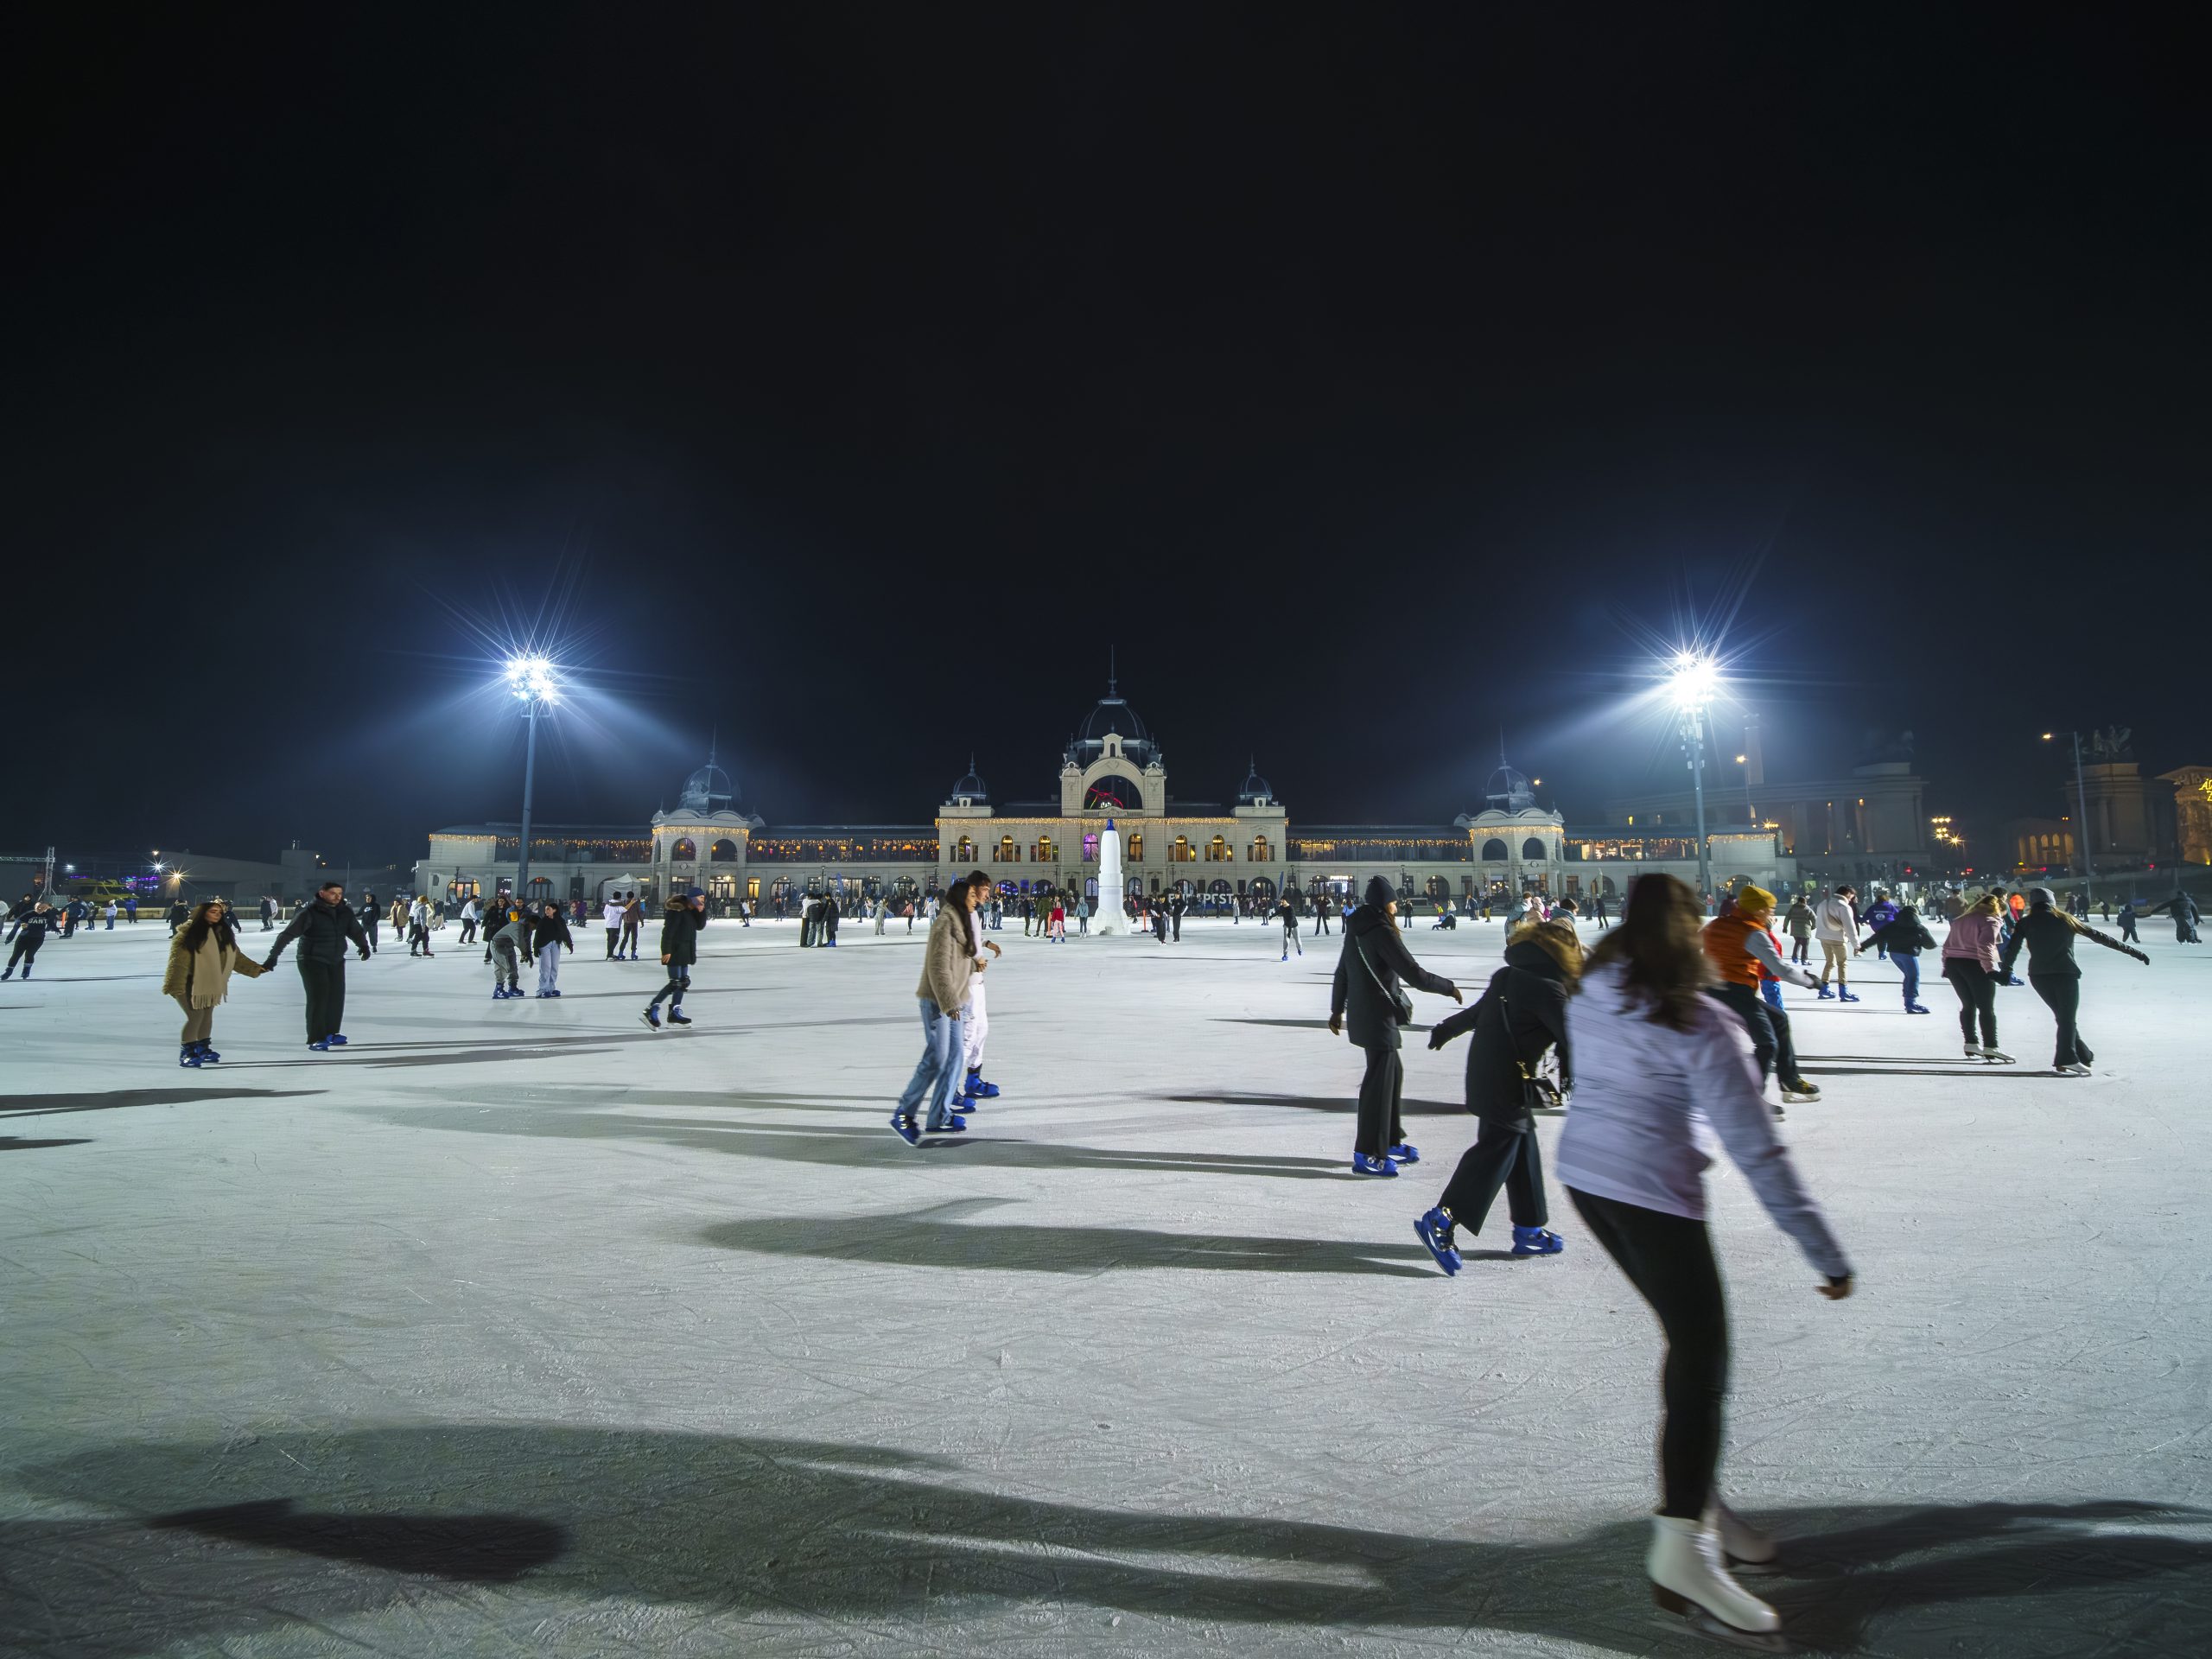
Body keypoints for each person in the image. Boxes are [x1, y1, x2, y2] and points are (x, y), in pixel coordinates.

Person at [1554, 874, 1853, 1643]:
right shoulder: (1701, 1022)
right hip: (1650, 1193)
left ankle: (1702, 1507)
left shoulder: (1596, 988)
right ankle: (1682, 1545)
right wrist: (1824, 1252)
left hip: (1588, 1179)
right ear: (1691, 931)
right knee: (1702, 1362)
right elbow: (1760, 1153)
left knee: (1687, 1349)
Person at [1416, 918, 1579, 1271]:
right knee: (1497, 1151)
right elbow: (1577, 1039)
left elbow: (1478, 1013)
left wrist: (1447, 1028)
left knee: (1522, 1147)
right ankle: (1443, 1219)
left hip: (1487, 1076)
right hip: (1506, 1085)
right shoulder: (1548, 987)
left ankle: (1530, 1229)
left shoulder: (1509, 976)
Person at [1329, 875, 1463, 1177]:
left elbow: (1342, 972)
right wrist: (1448, 987)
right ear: (1384, 903)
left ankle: (1387, 1140)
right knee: (1378, 1085)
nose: (1396, 905)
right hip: (1378, 1017)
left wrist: (1337, 1010)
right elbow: (1414, 973)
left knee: (1392, 1074)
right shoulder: (1380, 931)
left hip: (1365, 1017)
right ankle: (1367, 1152)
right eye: (1392, 900)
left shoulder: (1358, 927)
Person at [1998, 887, 2148, 1075]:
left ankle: (2083, 1054)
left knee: (2064, 1017)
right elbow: (2101, 938)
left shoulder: (2026, 922)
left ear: (2033, 903)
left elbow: (2012, 949)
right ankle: (2067, 1059)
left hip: (2039, 976)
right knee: (2067, 1018)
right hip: (2064, 974)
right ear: (2052, 903)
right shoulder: (2066, 920)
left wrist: (2006, 970)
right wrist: (2134, 952)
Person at [1699, 885, 1823, 1108]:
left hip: (1713, 989)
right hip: (1734, 991)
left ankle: (1789, 1080)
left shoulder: (1717, 924)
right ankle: (1749, 1099)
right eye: (1770, 909)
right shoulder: (1753, 932)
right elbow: (1780, 969)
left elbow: (1692, 947)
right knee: (1767, 1044)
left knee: (1779, 1019)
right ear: (1758, 910)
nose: (1772, 913)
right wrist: (1810, 981)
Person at [892, 871, 983, 1143]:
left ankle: (939, 1116)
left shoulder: (962, 921)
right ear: (958, 898)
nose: (975, 899)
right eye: (970, 896)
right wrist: (948, 1001)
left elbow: (960, 962)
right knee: (937, 1058)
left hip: (955, 1001)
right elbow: (938, 967)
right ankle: (904, 1113)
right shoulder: (945, 923)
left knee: (955, 1058)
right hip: (938, 1001)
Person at [262, 880, 371, 1049]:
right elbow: (287, 934)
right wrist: (273, 957)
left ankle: (331, 1032)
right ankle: (316, 1037)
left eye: (340, 894)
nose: (337, 897)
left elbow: (355, 930)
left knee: (336, 997)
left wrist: (363, 945)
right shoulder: (309, 913)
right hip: (311, 959)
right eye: (333, 893)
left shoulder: (344, 912)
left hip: (335, 959)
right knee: (319, 997)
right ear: (322, 894)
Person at [162, 898, 270, 1065]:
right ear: (201, 914)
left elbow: (235, 957)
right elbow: (178, 963)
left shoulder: (222, 935)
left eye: (219, 912)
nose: (218, 915)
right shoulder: (187, 936)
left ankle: (203, 1048)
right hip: (187, 982)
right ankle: (187, 1052)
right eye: (213, 912)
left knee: (206, 1016)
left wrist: (255, 969)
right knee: (195, 1016)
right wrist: (175, 985)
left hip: (210, 982)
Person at [1940, 891, 2011, 1062]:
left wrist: (1946, 966)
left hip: (1954, 963)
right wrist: (1991, 970)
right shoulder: (1991, 920)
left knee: (1968, 1004)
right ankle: (1991, 1046)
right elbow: (1986, 946)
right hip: (1975, 964)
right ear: (1998, 910)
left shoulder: (1961, 920)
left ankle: (1971, 1043)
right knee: (1986, 1008)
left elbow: (1947, 945)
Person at [957, 870, 1004, 1105]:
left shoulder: (974, 914)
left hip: (978, 983)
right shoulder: (960, 914)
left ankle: (973, 1080)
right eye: (986, 889)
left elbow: (975, 938)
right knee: (968, 1034)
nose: (989, 894)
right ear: (974, 889)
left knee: (982, 1029)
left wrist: (987, 944)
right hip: (966, 983)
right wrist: (975, 960)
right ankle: (949, 1089)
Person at [641, 888, 708, 1028]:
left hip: (685, 952)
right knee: (675, 983)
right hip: (674, 951)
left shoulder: (690, 911)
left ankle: (674, 1014)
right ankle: (651, 1009)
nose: (703, 900)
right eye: (701, 897)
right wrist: (666, 951)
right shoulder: (676, 911)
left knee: (683, 982)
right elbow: (667, 932)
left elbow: (699, 926)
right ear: (693, 898)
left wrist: (702, 911)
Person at [1856, 903, 1936, 1013]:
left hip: (1894, 954)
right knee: (1913, 977)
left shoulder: (1892, 925)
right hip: (1908, 955)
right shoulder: (1919, 928)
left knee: (1909, 976)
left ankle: (1908, 1001)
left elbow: (1877, 937)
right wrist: (1920, 942)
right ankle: (1911, 1004)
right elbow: (1931, 945)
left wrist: (1863, 946)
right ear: (1915, 915)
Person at [1813, 884, 1859, 1001]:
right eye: (1851, 897)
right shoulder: (1843, 906)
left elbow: (1818, 921)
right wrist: (1856, 945)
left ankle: (1824, 990)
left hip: (1823, 938)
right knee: (1842, 964)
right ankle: (1844, 992)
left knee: (1829, 962)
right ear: (1848, 894)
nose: (1851, 900)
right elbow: (1850, 927)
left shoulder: (1823, 903)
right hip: (1838, 938)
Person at [2, 899, 56, 980]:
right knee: (16, 955)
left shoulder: (47, 915)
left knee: (29, 955)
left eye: (43, 907)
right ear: (35, 907)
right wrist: (11, 936)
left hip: (38, 939)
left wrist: (56, 929)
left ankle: (26, 971)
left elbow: (51, 923)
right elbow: (17, 923)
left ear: (45, 908)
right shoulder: (29, 914)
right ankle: (8, 971)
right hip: (24, 938)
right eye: (38, 906)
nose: (40, 908)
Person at [530, 899, 573, 995]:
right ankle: (542, 990)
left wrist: (569, 944)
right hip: (544, 945)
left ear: (555, 910)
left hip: (556, 945)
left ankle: (551, 988)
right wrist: (536, 949)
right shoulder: (543, 921)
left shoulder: (560, 920)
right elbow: (537, 936)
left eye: (548, 909)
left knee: (554, 968)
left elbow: (565, 932)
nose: (546, 911)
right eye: (546, 909)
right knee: (546, 968)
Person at [489, 906, 533, 1000]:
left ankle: (512, 988)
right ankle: (498, 990)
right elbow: (519, 942)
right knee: (503, 967)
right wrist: (524, 952)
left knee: (513, 967)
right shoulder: (517, 926)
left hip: (508, 946)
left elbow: (527, 941)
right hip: (498, 946)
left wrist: (529, 953)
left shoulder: (528, 928)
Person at [1859, 890, 1898, 959]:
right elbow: (1898, 915)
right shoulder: (1890, 907)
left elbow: (1865, 917)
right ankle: (1892, 953)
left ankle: (1881, 953)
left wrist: (1862, 921)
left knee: (1880, 937)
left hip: (1876, 926)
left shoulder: (1873, 907)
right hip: (1889, 925)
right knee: (1888, 938)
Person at [1782, 895, 1815, 964]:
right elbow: (1814, 918)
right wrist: (1813, 926)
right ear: (1804, 901)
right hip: (1805, 930)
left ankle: (1794, 957)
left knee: (1797, 943)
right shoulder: (1807, 908)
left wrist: (1785, 927)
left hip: (1795, 931)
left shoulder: (1793, 908)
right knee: (1805, 945)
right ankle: (1804, 960)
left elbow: (1787, 918)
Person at [407, 894, 436, 958]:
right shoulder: (423, 907)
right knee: (418, 938)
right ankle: (413, 951)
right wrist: (423, 927)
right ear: (424, 901)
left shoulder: (416, 907)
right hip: (420, 925)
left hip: (416, 924)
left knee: (425, 938)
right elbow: (422, 918)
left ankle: (425, 951)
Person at [1277, 893, 1303, 960]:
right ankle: (1285, 955)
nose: (1281, 901)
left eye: (1282, 900)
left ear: (1285, 900)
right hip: (1286, 925)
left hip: (1294, 926)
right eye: (1281, 900)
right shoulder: (1282, 907)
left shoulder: (1291, 908)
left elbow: (1292, 919)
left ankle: (1299, 949)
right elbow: (1278, 912)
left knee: (1297, 940)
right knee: (1286, 940)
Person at [620, 892, 645, 959]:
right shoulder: (636, 903)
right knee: (634, 938)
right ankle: (633, 954)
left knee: (625, 938)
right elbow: (639, 912)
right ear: (633, 896)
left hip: (626, 922)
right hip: (634, 922)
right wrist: (642, 921)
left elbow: (622, 912)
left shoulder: (624, 902)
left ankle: (620, 953)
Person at [603, 893, 626, 959]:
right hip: (615, 925)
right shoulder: (619, 904)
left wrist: (608, 919)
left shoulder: (608, 904)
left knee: (610, 940)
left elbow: (605, 913)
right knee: (614, 940)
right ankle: (609, 955)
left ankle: (610, 954)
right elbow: (624, 910)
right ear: (619, 898)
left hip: (607, 924)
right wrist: (632, 903)